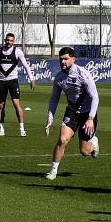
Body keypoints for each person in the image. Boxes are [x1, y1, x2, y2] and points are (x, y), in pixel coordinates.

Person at [43, 47, 100, 180]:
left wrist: (91, 118)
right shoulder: (59, 77)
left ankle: (94, 142)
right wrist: (50, 119)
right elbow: (54, 99)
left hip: (88, 113)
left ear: (73, 59)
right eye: (61, 59)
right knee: (63, 139)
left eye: (66, 59)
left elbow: (95, 97)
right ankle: (53, 171)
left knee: (85, 152)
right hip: (72, 111)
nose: (63, 61)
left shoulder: (83, 74)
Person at [0, 32, 33, 137]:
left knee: (16, 104)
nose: (9, 42)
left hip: (13, 82)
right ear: (5, 40)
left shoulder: (18, 52)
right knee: (1, 106)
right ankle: (1, 130)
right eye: (7, 40)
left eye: (11, 40)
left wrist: (31, 79)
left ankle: (22, 129)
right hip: (2, 82)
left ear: (14, 41)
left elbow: (26, 66)